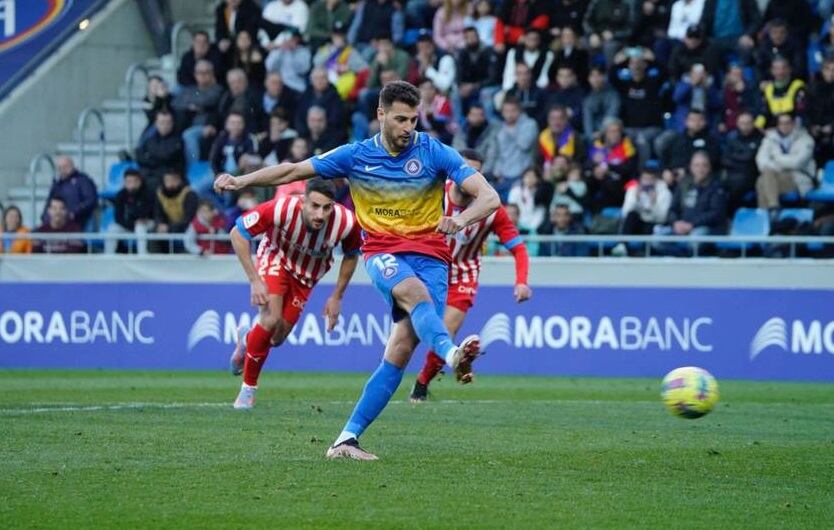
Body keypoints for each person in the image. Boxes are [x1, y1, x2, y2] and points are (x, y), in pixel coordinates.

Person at [215, 80, 500, 460]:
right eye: (400, 119)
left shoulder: (435, 152)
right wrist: (241, 180)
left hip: (432, 257)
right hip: (383, 252)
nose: (407, 128)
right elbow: (292, 171)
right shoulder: (355, 155)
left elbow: (490, 197)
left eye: (413, 120)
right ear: (380, 115)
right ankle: (451, 356)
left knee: (399, 351)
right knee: (413, 295)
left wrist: (461, 219)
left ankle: (345, 441)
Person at [409, 150, 532, 401]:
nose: (468, 176)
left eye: (474, 171)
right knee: (413, 332)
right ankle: (450, 362)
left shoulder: (491, 210)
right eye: (464, 169)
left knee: (446, 330)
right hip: (429, 270)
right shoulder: (433, 193)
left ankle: (421, 384)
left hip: (463, 276)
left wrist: (521, 281)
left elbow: (519, 248)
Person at [755, 113, 815, 210]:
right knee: (764, 177)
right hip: (775, 176)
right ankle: (773, 208)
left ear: (793, 124)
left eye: (787, 123)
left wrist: (776, 158)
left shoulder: (806, 139)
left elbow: (797, 163)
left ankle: (767, 214)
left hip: (799, 177)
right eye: (781, 123)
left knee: (762, 181)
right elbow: (761, 160)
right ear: (777, 125)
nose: (784, 126)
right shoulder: (770, 138)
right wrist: (779, 166)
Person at [105, 169, 153, 255]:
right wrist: (131, 223)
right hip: (128, 224)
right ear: (124, 182)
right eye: (129, 181)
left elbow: (149, 213)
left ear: (140, 181)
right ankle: (109, 256)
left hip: (147, 223)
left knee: (140, 227)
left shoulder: (148, 193)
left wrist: (140, 220)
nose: (132, 184)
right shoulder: (120, 195)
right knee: (112, 228)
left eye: (135, 181)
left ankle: (142, 255)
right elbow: (118, 218)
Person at [42, 156, 98, 230]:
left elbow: (90, 200)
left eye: (66, 166)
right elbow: (49, 203)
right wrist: (45, 216)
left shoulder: (83, 181)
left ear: (72, 166)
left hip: (77, 220)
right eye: (60, 168)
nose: (63, 170)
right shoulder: (57, 184)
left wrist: (74, 212)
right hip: (56, 221)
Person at [135, 110, 185, 191]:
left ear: (172, 123)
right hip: (150, 174)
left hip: (169, 175)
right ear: (156, 124)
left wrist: (150, 157)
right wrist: (156, 159)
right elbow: (139, 156)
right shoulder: (149, 140)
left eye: (168, 123)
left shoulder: (177, 140)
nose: (165, 126)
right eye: (162, 123)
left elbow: (167, 156)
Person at [152, 170, 199, 254]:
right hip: (168, 226)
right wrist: (160, 224)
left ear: (180, 180)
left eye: (174, 180)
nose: (171, 184)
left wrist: (169, 228)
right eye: (168, 180)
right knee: (153, 232)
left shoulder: (189, 194)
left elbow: (189, 218)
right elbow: (158, 214)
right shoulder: (160, 194)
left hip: (186, 227)